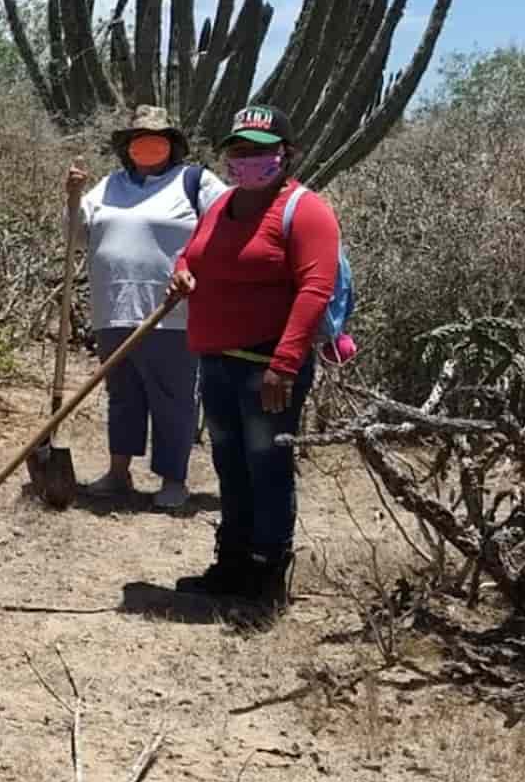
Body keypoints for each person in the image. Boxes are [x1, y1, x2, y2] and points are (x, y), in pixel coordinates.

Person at [168, 105, 341, 608]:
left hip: (267, 367)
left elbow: (315, 288)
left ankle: (266, 575)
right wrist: (181, 273)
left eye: (260, 152)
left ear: (286, 155)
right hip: (218, 360)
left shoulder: (306, 210)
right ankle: (232, 563)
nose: (247, 161)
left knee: (266, 466)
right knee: (231, 464)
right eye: (239, 151)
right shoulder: (223, 207)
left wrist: (284, 365)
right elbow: (193, 254)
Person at [66, 104, 226, 510]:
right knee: (122, 395)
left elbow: (226, 223)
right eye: (141, 141)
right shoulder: (109, 185)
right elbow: (77, 235)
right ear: (129, 148)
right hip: (113, 307)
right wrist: (71, 197)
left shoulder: (195, 182)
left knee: (172, 398)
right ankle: (118, 472)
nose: (149, 147)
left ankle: (174, 479)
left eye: (158, 140)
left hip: (171, 313)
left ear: (172, 146)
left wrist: (198, 272)